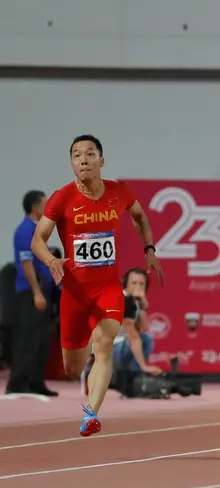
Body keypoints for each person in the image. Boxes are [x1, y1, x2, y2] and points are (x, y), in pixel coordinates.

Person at [28, 135, 164, 435]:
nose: (84, 160)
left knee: (104, 346)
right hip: (75, 293)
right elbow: (38, 239)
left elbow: (141, 218)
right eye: (77, 156)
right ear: (72, 164)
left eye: (90, 154)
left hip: (107, 288)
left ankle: (90, 413)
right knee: (73, 368)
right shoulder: (61, 197)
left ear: (102, 161)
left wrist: (150, 251)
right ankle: (86, 354)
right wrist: (51, 260)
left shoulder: (120, 192)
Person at [7, 189, 58, 396]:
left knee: (41, 340)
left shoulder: (39, 230)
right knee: (27, 338)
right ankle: (17, 383)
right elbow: (26, 263)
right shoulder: (25, 230)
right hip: (29, 292)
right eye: (45, 203)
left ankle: (36, 382)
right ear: (35, 207)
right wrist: (36, 292)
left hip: (42, 290)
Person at [111, 267, 162, 382]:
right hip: (107, 349)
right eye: (134, 283)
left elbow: (141, 329)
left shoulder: (135, 301)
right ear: (126, 284)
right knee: (138, 341)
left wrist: (144, 305)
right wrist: (145, 367)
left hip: (120, 345)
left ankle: (133, 378)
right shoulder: (124, 300)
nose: (137, 287)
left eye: (141, 284)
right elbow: (133, 337)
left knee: (146, 339)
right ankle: (135, 376)